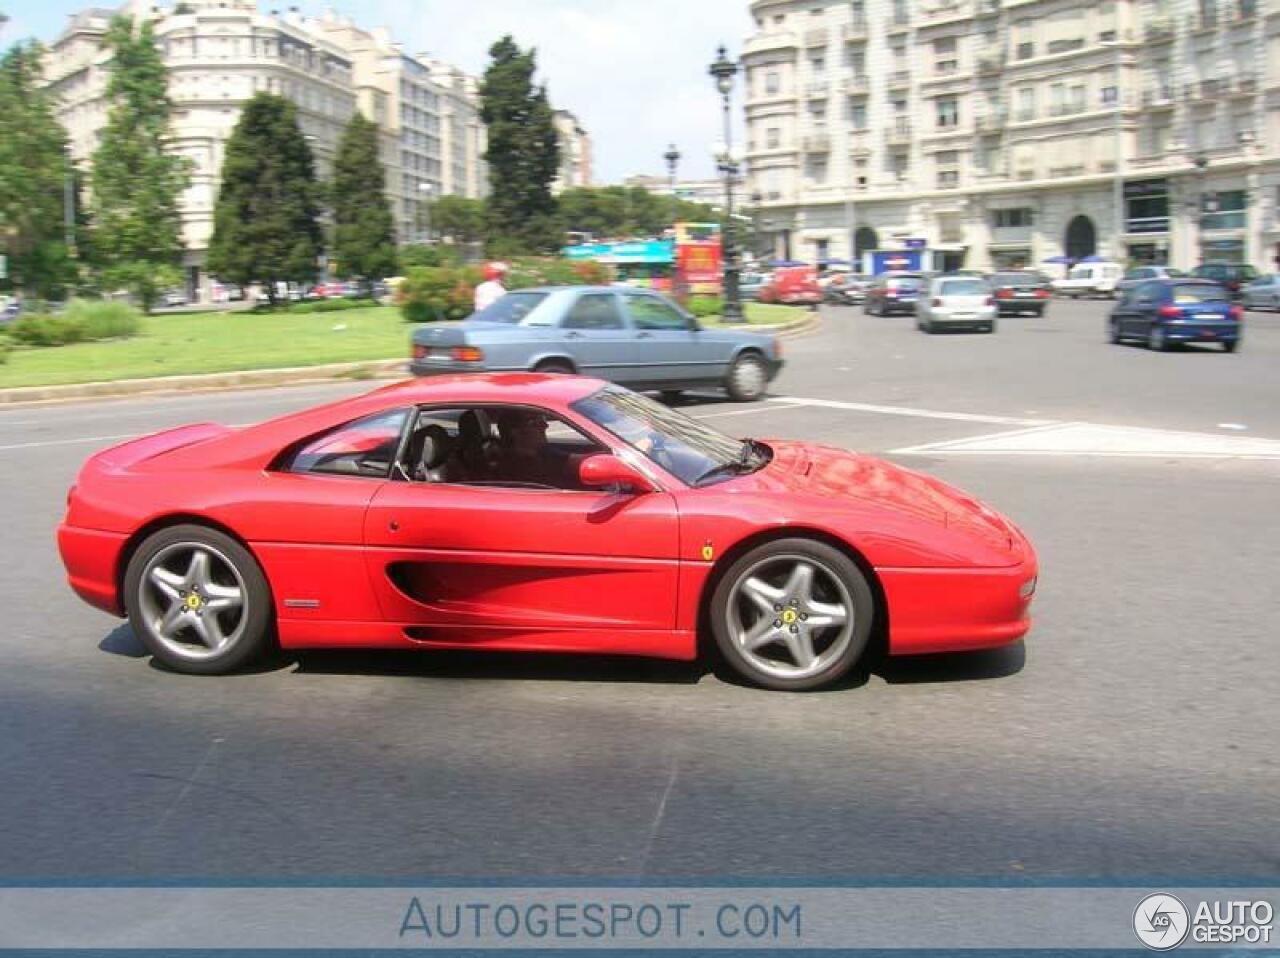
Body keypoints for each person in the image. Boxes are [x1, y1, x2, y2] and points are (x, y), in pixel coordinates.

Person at [490, 408, 576, 488]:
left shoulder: (542, 452)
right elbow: (579, 463)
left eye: (542, 419)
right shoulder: (518, 465)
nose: (545, 425)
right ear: (514, 432)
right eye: (534, 422)